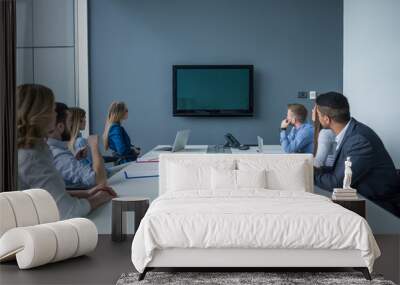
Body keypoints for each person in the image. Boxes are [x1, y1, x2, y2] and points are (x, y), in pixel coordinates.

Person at [17, 84, 116, 220]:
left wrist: (86, 193)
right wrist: (99, 198)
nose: (55, 114)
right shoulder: (32, 156)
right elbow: (67, 211)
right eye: (52, 109)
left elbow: (45, 194)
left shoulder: (36, 148)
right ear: (40, 115)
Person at [314, 92, 400, 217]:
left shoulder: (358, 140)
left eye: (318, 114)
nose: (316, 117)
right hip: (367, 199)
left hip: (381, 208)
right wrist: (316, 169)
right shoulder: (352, 132)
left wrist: (309, 173)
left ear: (326, 119)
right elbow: (339, 171)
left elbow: (338, 183)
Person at [47, 103, 108, 188]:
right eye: (70, 122)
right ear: (60, 126)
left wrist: (75, 159)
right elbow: (99, 180)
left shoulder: (53, 150)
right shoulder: (59, 156)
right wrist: (94, 146)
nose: (72, 126)